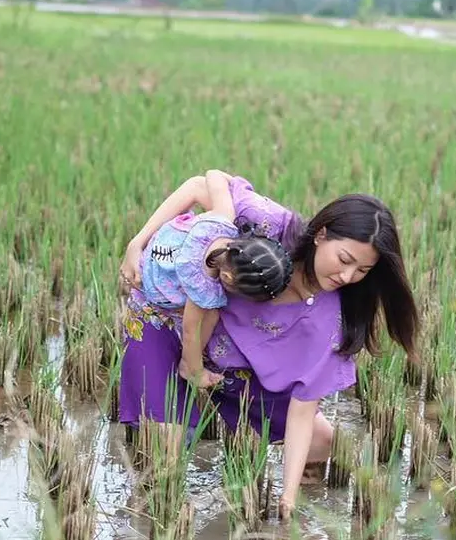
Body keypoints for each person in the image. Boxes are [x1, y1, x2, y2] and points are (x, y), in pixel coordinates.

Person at [118, 171, 419, 518]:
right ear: (322, 235)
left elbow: (302, 411)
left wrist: (288, 499)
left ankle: (299, 514)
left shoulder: (335, 318)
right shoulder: (270, 225)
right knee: (165, 452)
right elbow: (201, 185)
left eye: (362, 271)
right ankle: (152, 514)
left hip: (229, 366)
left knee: (322, 442)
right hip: (167, 321)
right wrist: (137, 243)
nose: (347, 277)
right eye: (345, 260)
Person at [135, 170, 294, 388]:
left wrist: (238, 185)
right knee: (211, 314)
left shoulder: (224, 219)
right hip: (155, 279)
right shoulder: (203, 289)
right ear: (227, 277)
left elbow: (213, 175)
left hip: (166, 241)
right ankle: (187, 368)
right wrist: (196, 369)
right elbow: (190, 333)